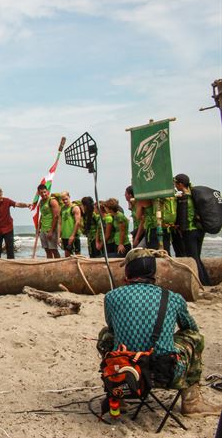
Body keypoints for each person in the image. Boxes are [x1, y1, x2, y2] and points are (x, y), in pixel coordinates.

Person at [98, 249, 221, 417]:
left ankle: (117, 393)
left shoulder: (111, 297)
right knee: (195, 338)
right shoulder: (173, 297)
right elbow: (191, 329)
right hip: (166, 371)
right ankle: (191, 401)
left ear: (128, 271)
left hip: (127, 367)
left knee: (105, 335)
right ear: (153, 271)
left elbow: (111, 328)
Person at [173, 174, 212, 286]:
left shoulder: (185, 198)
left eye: (176, 184)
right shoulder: (195, 196)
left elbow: (185, 217)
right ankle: (206, 282)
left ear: (180, 184)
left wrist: (180, 228)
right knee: (197, 257)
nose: (175, 186)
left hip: (190, 231)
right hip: (200, 230)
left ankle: (201, 282)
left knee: (193, 258)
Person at [0, 188, 31, 259]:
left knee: (10, 250)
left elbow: (17, 204)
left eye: (1, 195)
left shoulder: (7, 201)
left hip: (8, 229)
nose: (1, 197)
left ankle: (12, 266)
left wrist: (26, 205)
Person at [36, 185, 60, 259]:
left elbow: (56, 216)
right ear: (39, 194)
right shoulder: (41, 202)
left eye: (44, 192)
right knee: (47, 250)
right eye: (41, 193)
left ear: (47, 191)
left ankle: (58, 266)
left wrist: (51, 231)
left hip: (50, 229)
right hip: (43, 229)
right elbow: (42, 215)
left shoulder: (52, 201)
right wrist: (38, 228)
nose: (43, 194)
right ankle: (50, 267)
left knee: (53, 250)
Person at [59, 192, 82, 257]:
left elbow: (77, 222)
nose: (65, 201)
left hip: (73, 236)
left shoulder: (75, 207)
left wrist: (72, 235)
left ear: (69, 197)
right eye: (63, 200)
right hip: (65, 236)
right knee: (67, 255)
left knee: (77, 256)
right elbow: (60, 223)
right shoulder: (62, 208)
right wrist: (58, 236)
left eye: (66, 199)